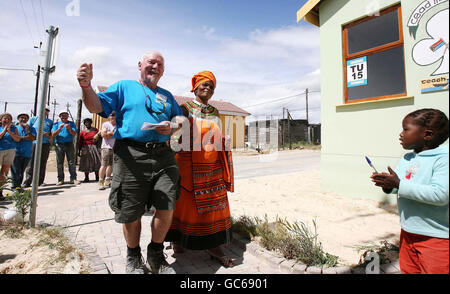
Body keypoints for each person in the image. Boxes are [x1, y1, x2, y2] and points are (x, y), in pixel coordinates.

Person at [77, 50, 185, 274]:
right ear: (140, 65)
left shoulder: (167, 95)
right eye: (151, 62)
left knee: (167, 206)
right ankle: (133, 256)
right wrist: (86, 86)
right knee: (131, 210)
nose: (155, 66)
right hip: (130, 155)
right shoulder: (124, 87)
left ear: (163, 71)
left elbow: (180, 119)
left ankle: (155, 254)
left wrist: (173, 126)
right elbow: (96, 107)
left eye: (160, 64)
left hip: (164, 156)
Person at [165, 71, 235, 267]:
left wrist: (225, 140)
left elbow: (216, 135)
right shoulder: (184, 108)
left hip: (212, 166)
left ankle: (212, 246)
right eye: (204, 84)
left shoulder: (215, 112)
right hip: (187, 166)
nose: (208, 88)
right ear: (194, 87)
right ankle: (177, 239)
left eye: (211, 86)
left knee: (213, 204)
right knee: (184, 205)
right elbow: (175, 135)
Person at [371, 108, 449, 274]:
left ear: (427, 134)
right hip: (408, 233)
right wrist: (388, 185)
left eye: (406, 129)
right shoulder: (408, 158)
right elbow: (401, 186)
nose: (401, 134)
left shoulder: (444, 158)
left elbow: (440, 195)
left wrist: (399, 184)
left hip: (437, 237)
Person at [23, 107, 54, 187]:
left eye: (47, 110)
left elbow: (52, 132)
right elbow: (27, 129)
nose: (45, 111)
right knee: (31, 162)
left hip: (45, 143)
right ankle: (27, 181)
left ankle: (40, 181)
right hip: (34, 143)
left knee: (42, 162)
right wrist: (39, 133)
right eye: (43, 109)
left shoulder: (50, 122)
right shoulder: (33, 119)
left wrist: (49, 135)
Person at [51, 110, 80, 186]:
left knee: (71, 162)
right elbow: (53, 134)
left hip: (69, 144)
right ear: (60, 116)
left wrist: (69, 129)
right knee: (60, 162)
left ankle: (73, 178)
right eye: (62, 115)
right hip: (59, 144)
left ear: (67, 116)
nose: (64, 117)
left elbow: (74, 133)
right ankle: (60, 179)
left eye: (65, 115)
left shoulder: (71, 124)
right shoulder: (56, 124)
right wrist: (59, 129)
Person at [11, 113, 36, 190]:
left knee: (21, 171)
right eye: (22, 118)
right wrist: (24, 137)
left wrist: (27, 130)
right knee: (15, 171)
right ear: (18, 119)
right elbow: (14, 137)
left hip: (26, 153)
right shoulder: (15, 128)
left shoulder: (32, 129)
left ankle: (18, 186)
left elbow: (32, 138)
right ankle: (14, 186)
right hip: (16, 152)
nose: (24, 119)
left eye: (25, 118)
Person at [0, 113, 21, 200]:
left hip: (10, 150)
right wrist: (4, 130)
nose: (7, 120)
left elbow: (17, 139)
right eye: (5, 118)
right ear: (1, 119)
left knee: (4, 172)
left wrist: (9, 132)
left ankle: (0, 190)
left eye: (9, 118)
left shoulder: (14, 128)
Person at [78, 118, 101, 182]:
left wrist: (99, 148)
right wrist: (79, 150)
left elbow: (99, 138)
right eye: (85, 122)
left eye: (88, 122)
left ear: (91, 123)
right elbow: (80, 141)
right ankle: (86, 177)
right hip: (85, 148)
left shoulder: (95, 130)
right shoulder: (83, 131)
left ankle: (97, 176)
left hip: (95, 147)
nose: (87, 123)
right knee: (86, 162)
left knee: (96, 162)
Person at [98, 112, 116, 190]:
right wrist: (114, 134)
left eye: (114, 115)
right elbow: (103, 134)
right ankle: (100, 181)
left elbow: (120, 134)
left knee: (111, 165)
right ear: (109, 116)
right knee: (104, 164)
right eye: (111, 115)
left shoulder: (118, 125)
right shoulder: (105, 124)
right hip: (106, 147)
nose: (113, 116)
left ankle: (107, 180)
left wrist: (109, 134)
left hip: (115, 147)